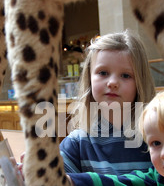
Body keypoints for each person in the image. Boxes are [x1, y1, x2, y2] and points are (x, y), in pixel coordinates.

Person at [60, 30, 156, 175]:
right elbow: (54, 185)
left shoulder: (160, 139)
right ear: (89, 79)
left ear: (140, 82)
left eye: (125, 75)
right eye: (103, 73)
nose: (112, 83)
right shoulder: (77, 144)